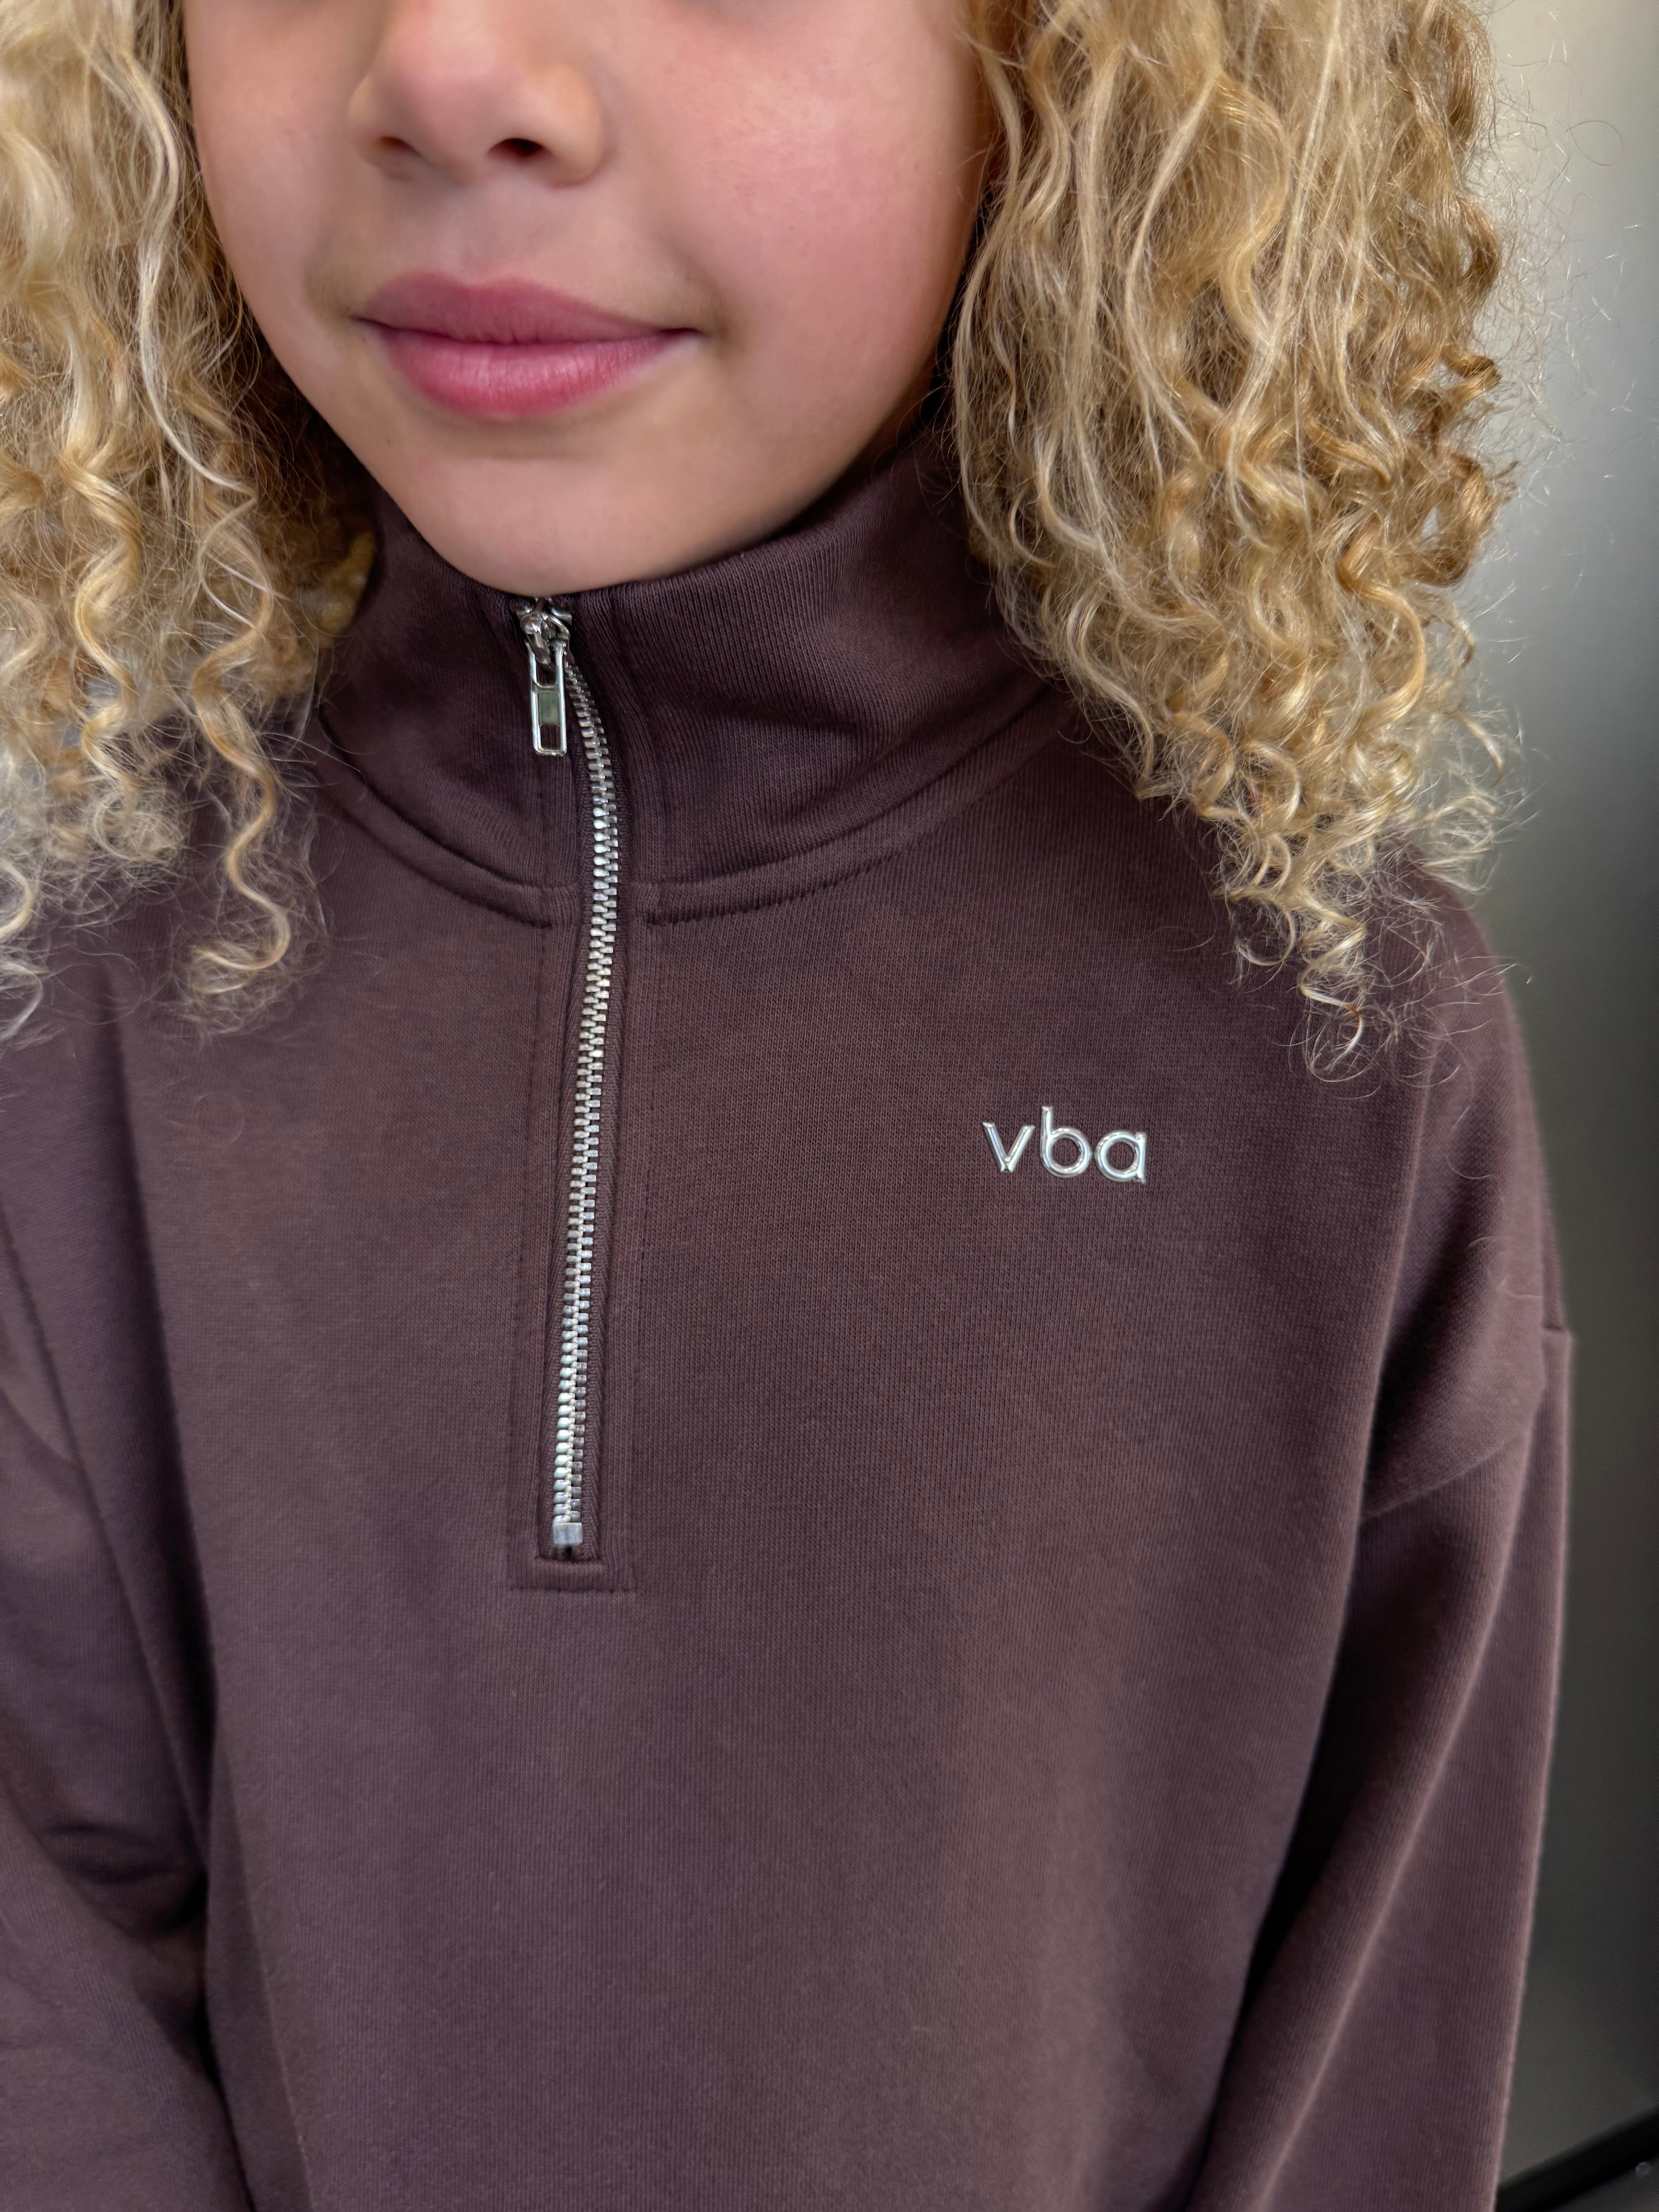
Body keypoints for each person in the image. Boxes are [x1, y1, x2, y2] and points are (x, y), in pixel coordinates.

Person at [0, 0, 1569, 2206]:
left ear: (1076, 65)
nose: (447, 72)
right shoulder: (86, 1001)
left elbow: (1377, 2077)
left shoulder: (1333, 1030)